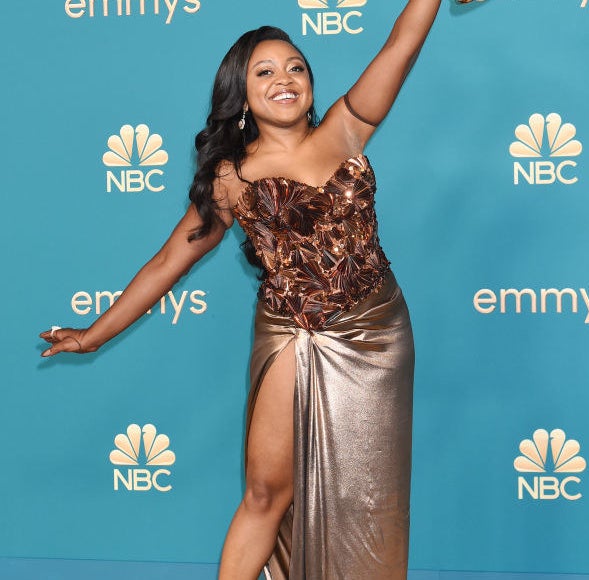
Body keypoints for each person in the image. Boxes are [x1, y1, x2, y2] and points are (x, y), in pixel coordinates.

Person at [40, 0, 440, 578]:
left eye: (296, 67)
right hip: (289, 335)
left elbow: (400, 44)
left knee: (367, 495)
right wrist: (93, 335)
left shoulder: (349, 126)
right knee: (264, 492)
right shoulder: (230, 177)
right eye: (265, 72)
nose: (284, 79)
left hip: (375, 334)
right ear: (242, 94)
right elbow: (165, 264)